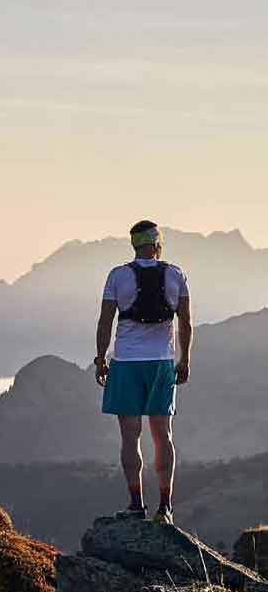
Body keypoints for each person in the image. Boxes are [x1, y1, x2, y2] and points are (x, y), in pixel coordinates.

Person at [94, 220, 192, 525]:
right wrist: (184, 359)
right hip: (162, 362)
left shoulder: (118, 275)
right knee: (163, 435)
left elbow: (105, 322)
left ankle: (136, 504)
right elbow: (186, 323)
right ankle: (165, 507)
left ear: (134, 244)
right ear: (158, 244)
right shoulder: (176, 275)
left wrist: (100, 359)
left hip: (126, 363)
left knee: (130, 436)